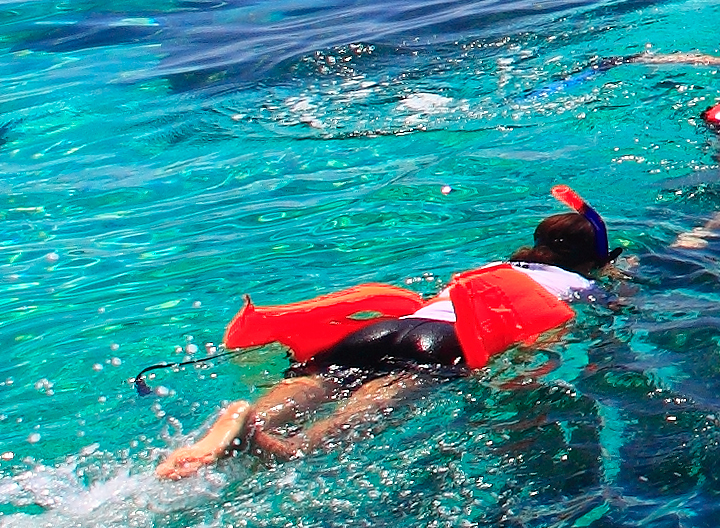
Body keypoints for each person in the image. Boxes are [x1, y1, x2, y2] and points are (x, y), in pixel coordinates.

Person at [159, 188, 616, 477]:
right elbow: (559, 330)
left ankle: (248, 418)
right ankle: (286, 447)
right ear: (590, 261)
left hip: (389, 327)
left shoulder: (496, 267)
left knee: (320, 380)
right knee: (372, 401)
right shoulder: (581, 285)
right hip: (441, 342)